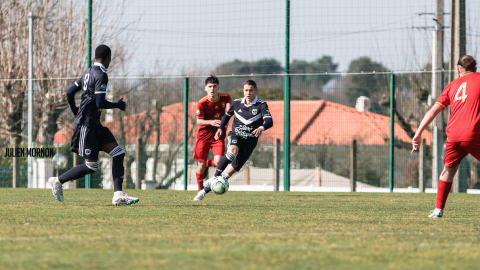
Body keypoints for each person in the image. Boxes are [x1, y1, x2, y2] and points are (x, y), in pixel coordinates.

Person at [47, 45, 139, 206]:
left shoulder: (88, 72)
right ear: (108, 57)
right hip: (86, 126)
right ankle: (58, 181)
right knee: (91, 165)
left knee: (118, 154)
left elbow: (70, 92)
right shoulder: (101, 75)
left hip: (94, 124)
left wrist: (74, 108)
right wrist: (118, 105)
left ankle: (118, 194)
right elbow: (99, 102)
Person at [412, 55, 479, 218]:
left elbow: (433, 111)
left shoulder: (451, 86)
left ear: (458, 70)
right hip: (474, 133)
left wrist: (418, 132)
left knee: (448, 170)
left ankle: (438, 210)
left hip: (454, 135)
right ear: (475, 69)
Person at [194, 79, 273, 201]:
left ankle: (203, 191)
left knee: (226, 176)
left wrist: (261, 127)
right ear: (243, 91)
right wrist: (220, 128)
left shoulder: (261, 105)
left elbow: (269, 121)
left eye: (251, 90)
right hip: (236, 136)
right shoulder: (236, 103)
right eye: (246, 90)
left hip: (249, 143)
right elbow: (227, 116)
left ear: (256, 91)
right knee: (231, 153)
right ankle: (213, 178)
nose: (248, 93)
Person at [193, 75, 231, 190]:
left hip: (218, 135)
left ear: (218, 87)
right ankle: (200, 190)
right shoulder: (202, 103)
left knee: (219, 161)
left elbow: (228, 108)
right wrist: (211, 122)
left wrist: (226, 119)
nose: (212, 89)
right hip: (203, 136)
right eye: (209, 86)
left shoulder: (225, 97)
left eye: (214, 86)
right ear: (206, 88)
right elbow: (199, 121)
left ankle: (209, 164)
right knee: (201, 164)